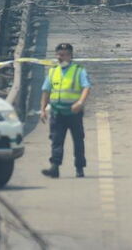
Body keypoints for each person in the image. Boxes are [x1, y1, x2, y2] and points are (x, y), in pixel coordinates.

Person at [40, 43, 91, 178]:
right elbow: (46, 91)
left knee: (78, 140)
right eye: (58, 55)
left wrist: (80, 102)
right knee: (56, 140)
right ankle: (55, 167)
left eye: (62, 55)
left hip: (74, 112)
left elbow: (86, 87)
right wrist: (43, 109)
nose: (59, 58)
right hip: (57, 112)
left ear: (70, 55)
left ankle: (79, 168)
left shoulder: (78, 70)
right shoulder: (53, 71)